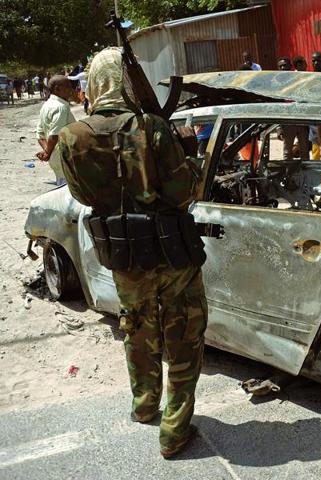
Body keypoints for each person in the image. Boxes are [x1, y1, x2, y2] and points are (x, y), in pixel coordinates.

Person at [57, 47, 207, 459]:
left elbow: (81, 195)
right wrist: (191, 155)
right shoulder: (151, 127)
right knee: (183, 334)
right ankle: (174, 431)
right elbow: (183, 194)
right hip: (171, 253)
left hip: (124, 255)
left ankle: (144, 406)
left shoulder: (72, 136)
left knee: (137, 330)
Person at [35, 75, 76, 185]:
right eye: (68, 87)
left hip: (55, 156)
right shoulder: (60, 107)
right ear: (57, 89)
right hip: (63, 156)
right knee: (66, 190)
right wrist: (47, 152)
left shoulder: (46, 105)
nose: (71, 90)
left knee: (61, 183)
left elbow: (40, 134)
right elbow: (54, 135)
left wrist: (47, 151)